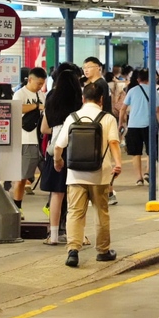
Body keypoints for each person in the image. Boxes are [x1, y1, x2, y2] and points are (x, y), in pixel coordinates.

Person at [53, 81, 122, 267]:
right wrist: (118, 163)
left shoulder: (72, 117)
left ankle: (73, 251)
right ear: (101, 100)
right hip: (100, 175)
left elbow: (58, 146)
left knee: (75, 213)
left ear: (83, 98)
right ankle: (103, 251)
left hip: (75, 175)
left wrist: (57, 161)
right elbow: (114, 143)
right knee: (101, 213)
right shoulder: (107, 118)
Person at [40, 69, 83, 245]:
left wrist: (58, 130)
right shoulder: (79, 103)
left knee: (56, 194)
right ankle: (79, 236)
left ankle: (54, 236)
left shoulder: (51, 101)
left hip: (56, 149)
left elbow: (43, 129)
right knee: (77, 194)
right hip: (76, 150)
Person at [11, 67, 47, 217]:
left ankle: (51, 206)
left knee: (48, 174)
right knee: (22, 177)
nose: (40, 86)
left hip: (39, 140)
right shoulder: (20, 93)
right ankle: (17, 207)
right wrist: (36, 106)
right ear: (30, 79)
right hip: (25, 140)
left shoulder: (41, 95)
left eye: (42, 84)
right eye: (38, 83)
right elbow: (16, 108)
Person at [83, 57, 117, 205]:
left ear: (98, 68)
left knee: (100, 158)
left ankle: (106, 192)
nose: (86, 69)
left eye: (89, 67)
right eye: (84, 67)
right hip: (100, 123)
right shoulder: (96, 84)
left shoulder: (99, 85)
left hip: (100, 124)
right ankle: (108, 192)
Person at [120, 68, 159, 185]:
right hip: (150, 125)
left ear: (138, 80)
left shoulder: (132, 91)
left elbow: (123, 109)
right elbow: (158, 111)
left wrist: (120, 123)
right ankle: (148, 172)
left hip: (133, 125)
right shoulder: (154, 92)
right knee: (150, 151)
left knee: (136, 153)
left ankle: (139, 178)